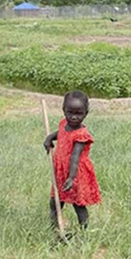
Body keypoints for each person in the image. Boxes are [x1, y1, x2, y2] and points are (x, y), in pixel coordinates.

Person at [42, 91, 99, 233]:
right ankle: (54, 228)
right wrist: (50, 138)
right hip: (61, 171)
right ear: (63, 110)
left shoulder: (81, 135)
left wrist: (71, 178)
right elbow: (60, 133)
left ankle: (83, 230)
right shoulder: (64, 124)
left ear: (86, 113)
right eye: (70, 112)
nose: (73, 117)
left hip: (75, 174)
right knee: (55, 202)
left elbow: (75, 157)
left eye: (78, 114)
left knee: (77, 204)